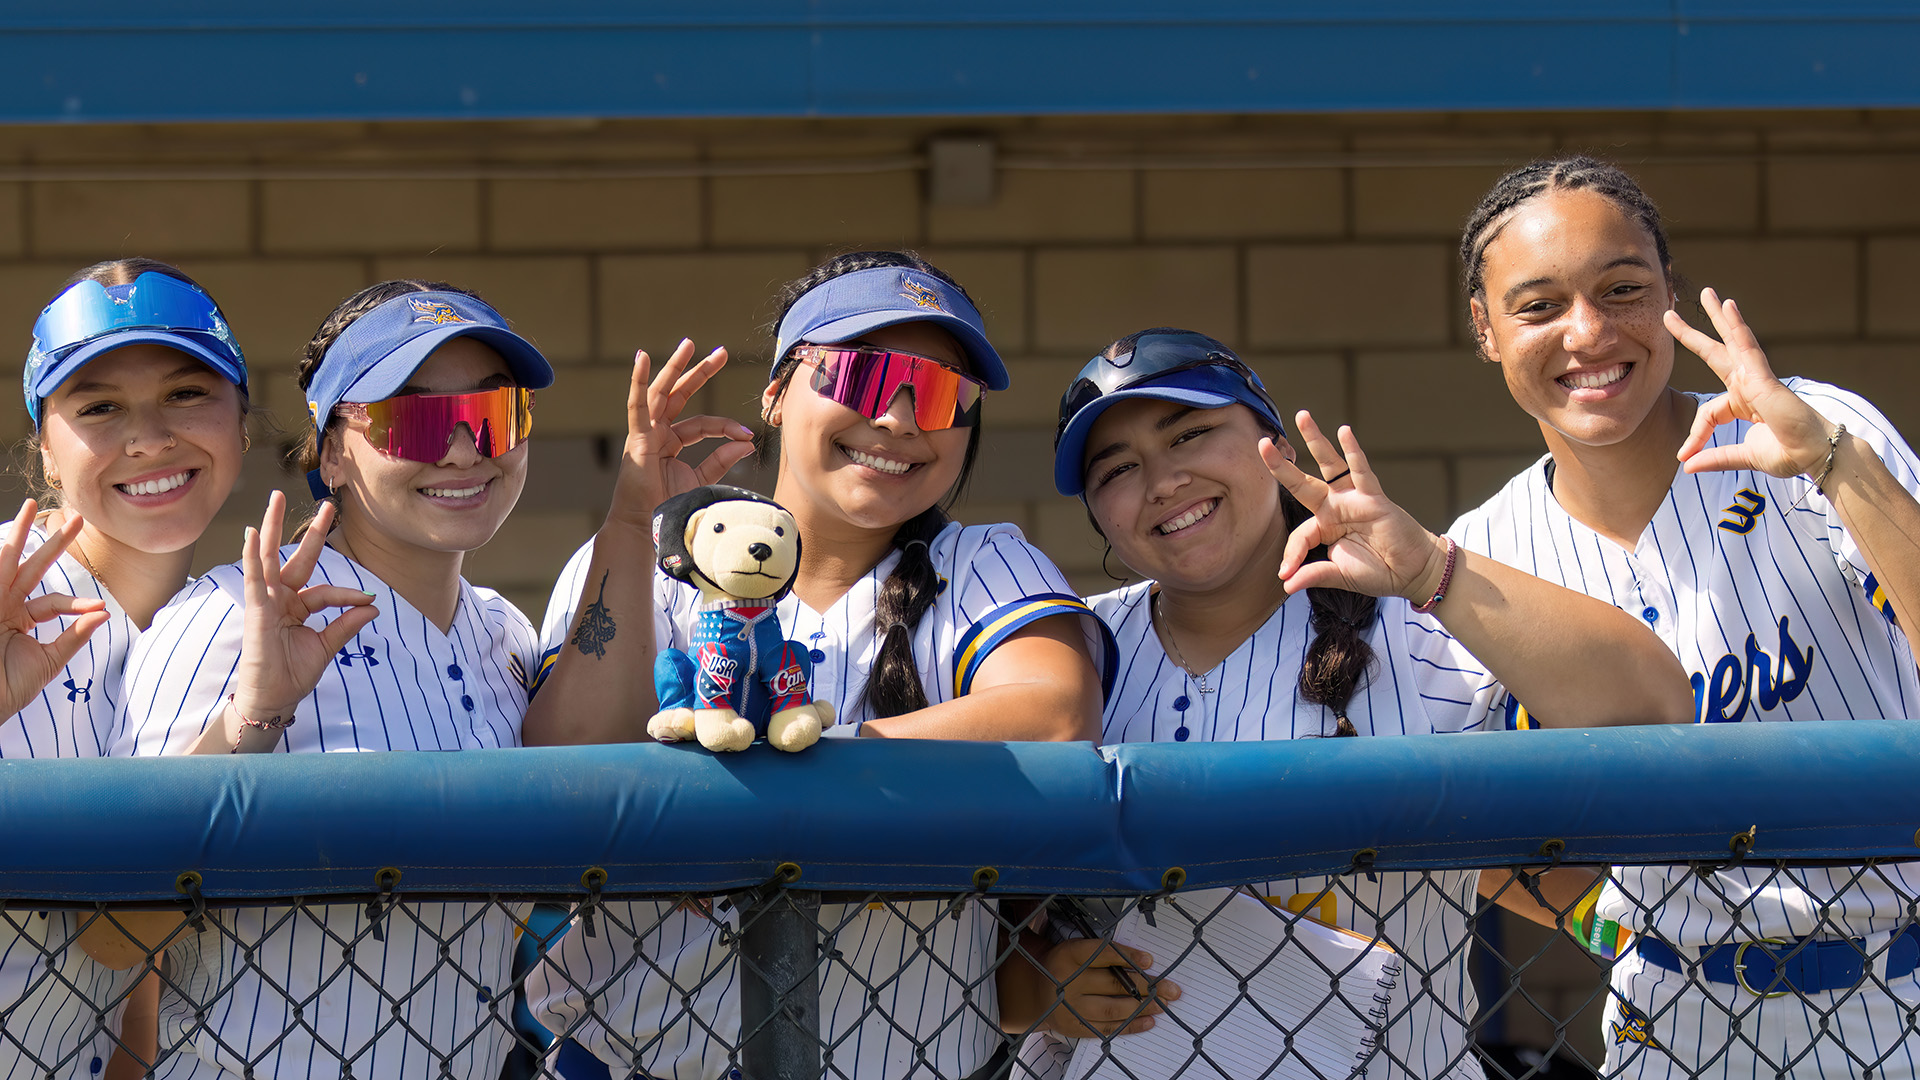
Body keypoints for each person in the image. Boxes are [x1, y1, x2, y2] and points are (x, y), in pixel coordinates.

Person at [1002, 328, 1693, 1080]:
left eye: (1192, 433)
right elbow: (973, 941)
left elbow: (1654, 709)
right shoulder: (1067, 653)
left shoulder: (1416, 627)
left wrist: (1434, 569)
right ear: (1098, 514)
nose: (1163, 480)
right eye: (1118, 469)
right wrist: (1039, 983)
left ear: (1275, 446)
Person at [524, 251, 1112, 1079]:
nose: (903, 418)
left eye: (941, 392)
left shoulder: (984, 562)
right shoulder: (645, 563)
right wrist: (629, 524)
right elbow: (564, 764)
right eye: (864, 378)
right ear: (774, 394)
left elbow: (1053, 714)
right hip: (635, 1059)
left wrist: (786, 773)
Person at [1449, 156, 1920, 1077]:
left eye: (1622, 290)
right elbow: (1471, 835)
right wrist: (1607, 918)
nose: (1588, 332)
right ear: (1487, 330)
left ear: (1670, 292)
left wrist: (1833, 461)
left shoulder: (1811, 425)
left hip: (1904, 981)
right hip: (1675, 1018)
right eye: (1539, 305)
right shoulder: (1481, 549)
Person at [107, 280, 553, 1079]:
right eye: (411, 420)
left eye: (494, 415)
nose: (461, 451)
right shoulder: (225, 615)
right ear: (335, 452)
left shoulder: (506, 634)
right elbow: (116, 935)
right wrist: (255, 716)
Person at [0, 259, 251, 1080]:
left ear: (242, 425)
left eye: (186, 394)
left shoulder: (210, 625)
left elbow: (136, 951)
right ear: (44, 448)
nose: (148, 438)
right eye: (99, 407)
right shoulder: (7, 578)